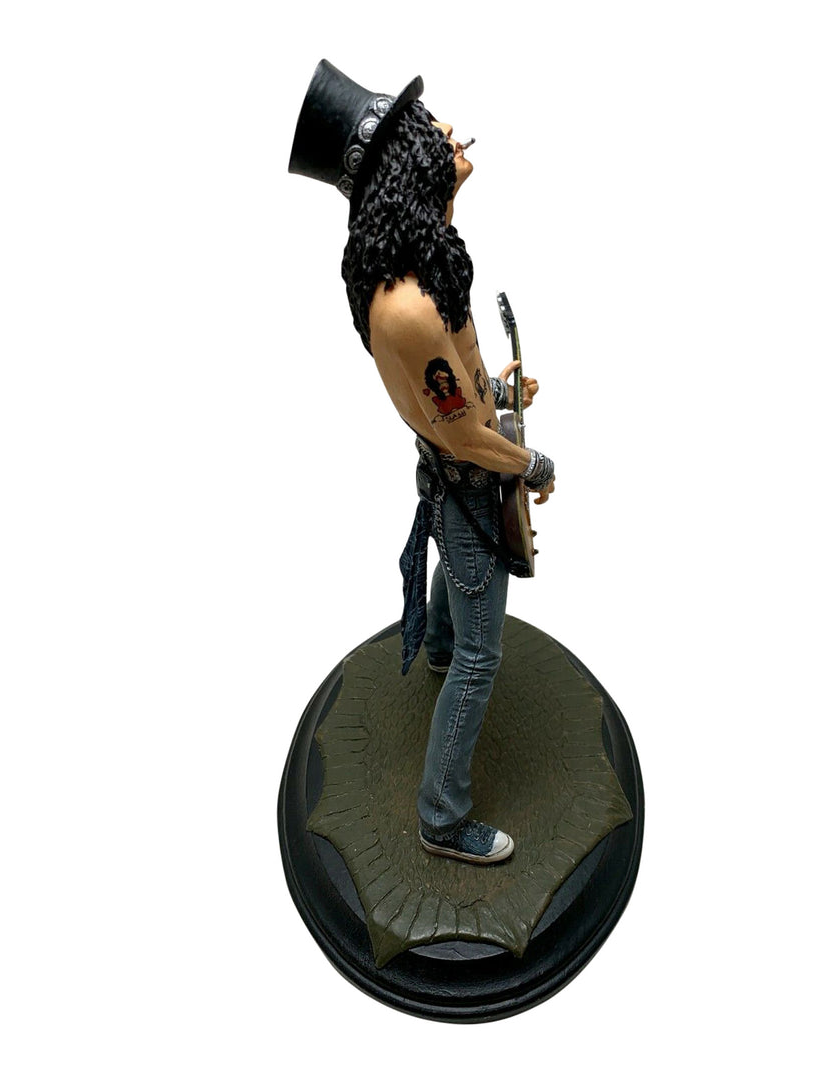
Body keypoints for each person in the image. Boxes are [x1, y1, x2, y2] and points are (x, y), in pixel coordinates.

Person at [290, 61, 555, 865]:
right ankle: (442, 818)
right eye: (424, 128)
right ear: (403, 164)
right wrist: (530, 462)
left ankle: (437, 644)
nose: (445, 129)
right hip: (467, 481)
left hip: (455, 473)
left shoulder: (427, 253)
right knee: (483, 654)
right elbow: (465, 437)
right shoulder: (406, 305)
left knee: (455, 581)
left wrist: (496, 388)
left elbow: (456, 393)